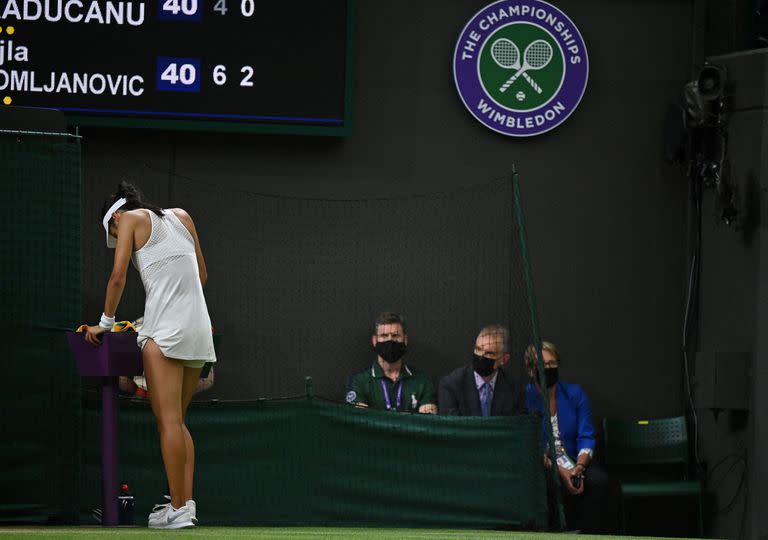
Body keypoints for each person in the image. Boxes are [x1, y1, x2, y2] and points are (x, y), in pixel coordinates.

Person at [84, 181, 215, 529]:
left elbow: (117, 277)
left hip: (164, 333)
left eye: (113, 231)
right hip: (198, 330)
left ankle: (176, 507)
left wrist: (104, 324)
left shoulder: (128, 220)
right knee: (179, 421)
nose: (117, 235)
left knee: (167, 421)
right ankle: (184, 506)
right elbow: (201, 275)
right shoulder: (182, 216)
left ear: (115, 220)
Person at [524, 341, 609, 533]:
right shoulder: (525, 397)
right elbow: (529, 445)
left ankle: (587, 534)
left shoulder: (575, 393)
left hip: (574, 459)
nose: (548, 368)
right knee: (547, 482)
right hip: (543, 463)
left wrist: (579, 467)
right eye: (542, 365)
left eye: (552, 364)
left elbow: (586, 435)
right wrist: (560, 470)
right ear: (530, 370)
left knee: (599, 480)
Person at [346, 312, 437, 413]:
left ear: (405, 340)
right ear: (375, 340)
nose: (390, 340)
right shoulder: (358, 381)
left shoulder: (422, 381)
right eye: (384, 335)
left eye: (395, 335)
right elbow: (360, 420)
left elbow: (427, 423)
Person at [438, 324, 525, 416]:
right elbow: (451, 427)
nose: (481, 356)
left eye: (489, 353)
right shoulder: (451, 385)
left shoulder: (514, 388)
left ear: (504, 359)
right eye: (478, 349)